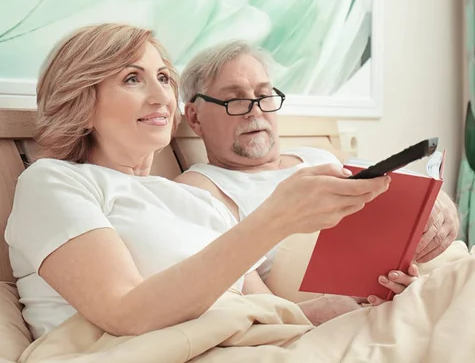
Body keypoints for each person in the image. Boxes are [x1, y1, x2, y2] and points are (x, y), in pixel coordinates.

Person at [4, 23, 412, 340]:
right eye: (132, 78)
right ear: (80, 98)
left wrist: (358, 301)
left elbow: (274, 314)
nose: (160, 96)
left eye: (164, 77)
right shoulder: (53, 181)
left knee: (442, 297)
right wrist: (275, 218)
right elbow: (126, 313)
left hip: (258, 346)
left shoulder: (189, 200)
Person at [174, 40, 459, 301]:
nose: (255, 110)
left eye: (263, 95)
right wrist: (311, 316)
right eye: (235, 100)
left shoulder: (319, 156)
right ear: (195, 118)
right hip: (335, 308)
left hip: (415, 282)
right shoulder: (200, 188)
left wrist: (440, 204)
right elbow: (250, 296)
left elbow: (395, 189)